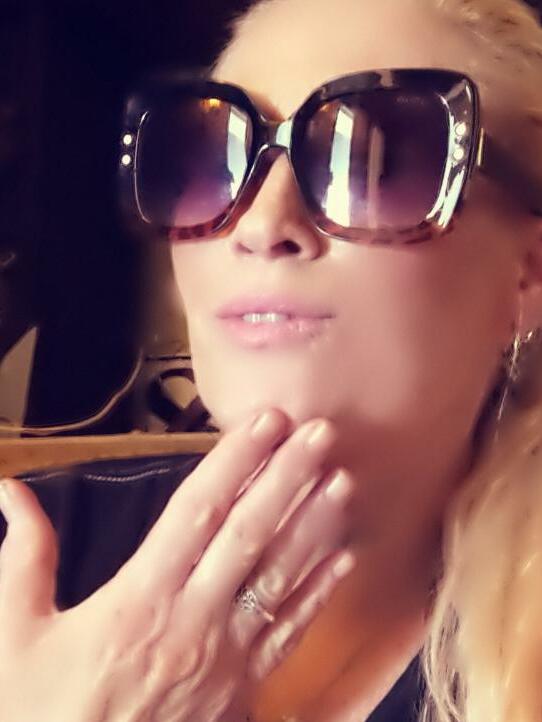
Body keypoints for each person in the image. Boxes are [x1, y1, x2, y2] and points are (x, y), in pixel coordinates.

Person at [1, 0, 542, 720]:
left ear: (528, 274)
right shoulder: (23, 550)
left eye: (375, 161)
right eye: (213, 155)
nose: (260, 224)